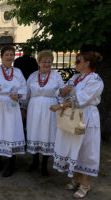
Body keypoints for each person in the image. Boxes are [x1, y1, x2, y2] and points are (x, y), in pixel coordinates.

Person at [50, 51, 104, 199]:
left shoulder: (95, 79)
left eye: (78, 61)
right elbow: (61, 92)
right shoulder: (76, 77)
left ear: (87, 63)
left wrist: (61, 106)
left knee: (85, 148)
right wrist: (63, 91)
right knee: (74, 146)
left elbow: (83, 99)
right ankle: (76, 178)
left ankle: (85, 184)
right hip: (74, 115)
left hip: (86, 116)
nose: (75, 64)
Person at [0, 45, 27, 177]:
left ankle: (11, 164)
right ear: (1, 57)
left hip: (11, 105)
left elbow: (24, 88)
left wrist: (18, 95)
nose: (9, 57)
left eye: (11, 54)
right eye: (6, 54)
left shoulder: (18, 72)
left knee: (10, 132)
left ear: (14, 57)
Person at [26, 50, 64, 176]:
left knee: (47, 133)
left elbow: (62, 93)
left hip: (50, 108)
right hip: (34, 109)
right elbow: (26, 94)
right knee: (34, 132)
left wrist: (61, 104)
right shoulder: (32, 76)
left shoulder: (56, 76)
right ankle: (35, 161)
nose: (47, 64)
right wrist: (23, 108)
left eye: (49, 62)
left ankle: (44, 165)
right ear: (38, 62)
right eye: (44, 62)